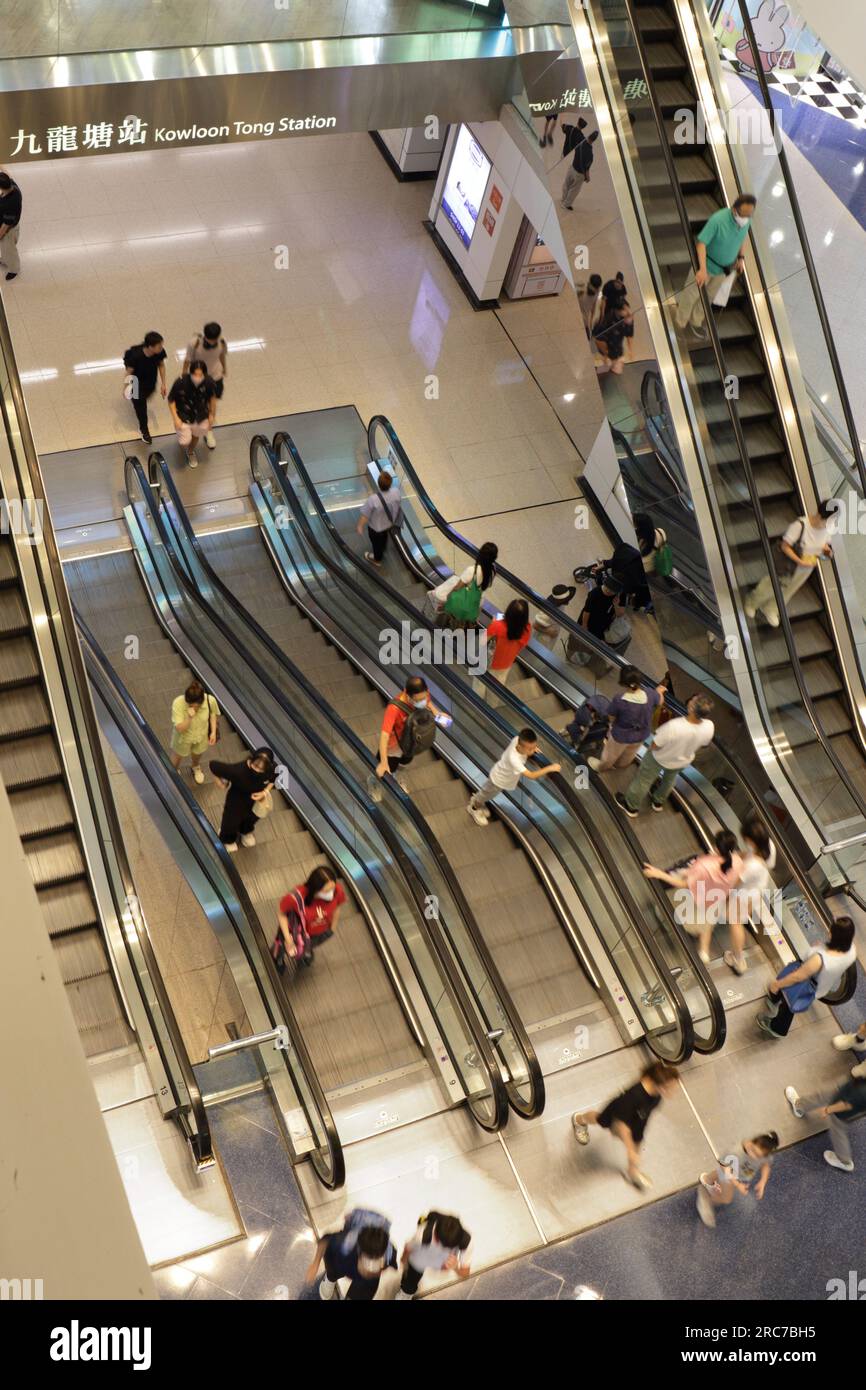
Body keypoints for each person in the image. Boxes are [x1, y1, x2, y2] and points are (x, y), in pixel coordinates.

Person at [572, 1061, 680, 1191]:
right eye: (671, 1087)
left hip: (640, 1114)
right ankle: (579, 1120)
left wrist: (637, 1138)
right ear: (661, 1085)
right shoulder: (634, 1096)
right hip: (619, 1112)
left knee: (638, 1139)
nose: (674, 1091)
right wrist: (630, 1150)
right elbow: (622, 1126)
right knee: (600, 1119)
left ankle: (632, 1171)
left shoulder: (657, 1094)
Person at [643, 829, 743, 965]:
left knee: (668, 907)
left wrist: (659, 874)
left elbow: (685, 884)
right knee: (706, 923)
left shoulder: (704, 865)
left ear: (716, 847)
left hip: (694, 902)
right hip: (714, 902)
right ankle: (704, 952)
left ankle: (667, 922)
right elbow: (735, 882)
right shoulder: (737, 862)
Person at [757, 916, 857, 1039]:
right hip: (821, 986)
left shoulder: (819, 959)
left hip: (805, 985)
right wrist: (822, 947)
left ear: (832, 935)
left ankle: (777, 1028)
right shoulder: (851, 951)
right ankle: (775, 1000)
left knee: (789, 1004)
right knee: (788, 999)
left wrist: (777, 984)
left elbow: (798, 977)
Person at [616, 693, 714, 817]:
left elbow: (655, 745)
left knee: (643, 781)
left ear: (692, 708)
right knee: (669, 780)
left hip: (659, 758)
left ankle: (630, 806)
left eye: (693, 700)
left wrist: (654, 750)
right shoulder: (709, 726)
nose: (691, 699)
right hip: (682, 761)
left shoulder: (674, 725)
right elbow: (703, 744)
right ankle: (658, 801)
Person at [744, 501, 837, 629]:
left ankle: (771, 609)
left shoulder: (827, 529)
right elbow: (785, 546)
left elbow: (824, 543)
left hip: (806, 568)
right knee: (771, 585)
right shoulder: (800, 525)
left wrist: (827, 551)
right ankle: (752, 602)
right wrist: (800, 561)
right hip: (789, 564)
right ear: (820, 516)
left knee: (789, 590)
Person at [675, 193, 757, 336]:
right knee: (691, 295)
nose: (745, 218)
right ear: (734, 210)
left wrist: (741, 258)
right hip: (706, 266)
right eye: (743, 215)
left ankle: (696, 321)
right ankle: (680, 323)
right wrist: (702, 269)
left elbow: (742, 238)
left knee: (709, 297)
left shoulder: (746, 220)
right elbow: (701, 244)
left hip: (723, 269)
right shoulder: (718, 220)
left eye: (749, 215)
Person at [467, 727, 560, 825]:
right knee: (487, 794)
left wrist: (531, 749)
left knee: (487, 793)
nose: (532, 751)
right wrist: (550, 768)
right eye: (530, 749)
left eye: (534, 747)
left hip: (502, 776)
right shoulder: (514, 759)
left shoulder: (517, 739)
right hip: (498, 780)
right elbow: (531, 775)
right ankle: (473, 808)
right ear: (519, 747)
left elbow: (525, 746)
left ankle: (479, 800)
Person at [723, 813, 776, 976]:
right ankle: (738, 957)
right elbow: (748, 854)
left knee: (735, 922)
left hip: (745, 894)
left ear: (752, 840)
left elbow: (735, 882)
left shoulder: (752, 865)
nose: (744, 842)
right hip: (756, 889)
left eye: (745, 839)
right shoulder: (769, 846)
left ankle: (738, 959)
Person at [306, 1208, 398, 1301]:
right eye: (367, 1267)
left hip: (365, 1282)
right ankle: (330, 1278)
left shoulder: (389, 1254)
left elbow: (390, 1264)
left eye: (374, 1270)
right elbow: (325, 1241)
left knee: (363, 1292)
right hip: (344, 1259)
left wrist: (380, 1271)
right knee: (333, 1266)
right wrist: (315, 1264)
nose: (368, 1273)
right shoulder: (343, 1244)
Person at [587, 666, 665, 771]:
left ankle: (602, 767)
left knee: (610, 754)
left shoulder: (620, 700)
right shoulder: (650, 694)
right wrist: (659, 691)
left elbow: (611, 716)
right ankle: (620, 765)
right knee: (630, 753)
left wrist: (611, 724)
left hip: (621, 736)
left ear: (623, 683)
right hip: (641, 734)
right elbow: (660, 701)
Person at [785, 1073, 866, 1172]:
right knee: (825, 1095)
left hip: (846, 1102)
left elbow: (846, 1104)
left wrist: (828, 1110)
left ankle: (844, 1160)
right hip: (848, 1091)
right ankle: (800, 1105)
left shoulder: (861, 1093)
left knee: (837, 1130)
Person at [376, 675, 445, 791]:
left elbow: (427, 702)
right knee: (387, 767)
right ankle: (374, 784)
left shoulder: (423, 693)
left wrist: (437, 713)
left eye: (424, 697)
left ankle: (398, 776)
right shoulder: (394, 709)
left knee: (406, 760)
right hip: (394, 746)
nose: (422, 702)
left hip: (411, 738)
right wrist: (383, 762)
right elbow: (384, 735)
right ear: (408, 696)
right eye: (418, 701)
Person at [696, 1132, 778, 1228]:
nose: (754, 1157)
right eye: (753, 1151)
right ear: (751, 1143)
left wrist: (763, 1182)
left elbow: (766, 1165)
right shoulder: (736, 1152)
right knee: (726, 1199)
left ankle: (706, 1179)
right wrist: (738, 1185)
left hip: (738, 1173)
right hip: (729, 1174)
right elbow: (724, 1167)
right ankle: (706, 1200)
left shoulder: (764, 1154)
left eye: (758, 1156)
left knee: (718, 1174)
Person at [277, 864, 346, 967]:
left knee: (306, 949)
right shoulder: (296, 897)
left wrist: (332, 928)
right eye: (326, 891)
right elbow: (281, 913)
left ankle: (304, 955)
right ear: (315, 889)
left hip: (319, 933)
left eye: (333, 888)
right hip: (295, 932)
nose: (331, 893)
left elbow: (337, 906)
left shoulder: (337, 891)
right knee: (281, 948)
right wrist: (288, 938)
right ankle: (278, 959)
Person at [210, 747, 274, 852]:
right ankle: (227, 839)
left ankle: (245, 831)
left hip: (254, 802)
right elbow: (213, 765)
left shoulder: (270, 769)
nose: (257, 770)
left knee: (251, 818)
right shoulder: (237, 771)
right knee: (231, 821)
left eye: (261, 769)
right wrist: (220, 782)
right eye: (256, 766)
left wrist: (264, 792)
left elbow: (273, 779)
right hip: (236, 801)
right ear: (252, 760)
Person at [396, 1211, 472, 1300]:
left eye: (449, 1247)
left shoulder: (466, 1242)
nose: (444, 1248)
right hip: (421, 1257)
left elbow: (465, 1274)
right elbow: (408, 1247)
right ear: (435, 1234)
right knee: (411, 1278)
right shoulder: (422, 1233)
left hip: (441, 1261)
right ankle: (405, 1293)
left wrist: (455, 1267)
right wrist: (403, 1260)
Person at [182, 322, 227, 448]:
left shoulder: (222, 342)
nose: (213, 343)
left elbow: (222, 355)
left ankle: (209, 430)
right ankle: (193, 425)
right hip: (199, 377)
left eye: (215, 340)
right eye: (210, 340)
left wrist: (224, 368)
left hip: (215, 377)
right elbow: (187, 360)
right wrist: (184, 376)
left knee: (212, 403)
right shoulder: (194, 343)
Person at [432, 542, 498, 629]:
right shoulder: (493, 570)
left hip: (464, 603)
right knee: (464, 620)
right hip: (478, 602)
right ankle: (462, 629)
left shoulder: (472, 570)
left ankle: (451, 626)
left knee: (445, 598)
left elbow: (457, 587)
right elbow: (487, 585)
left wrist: (448, 597)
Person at [167, 359, 216, 468]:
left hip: (200, 415)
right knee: (184, 441)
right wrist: (175, 418)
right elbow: (171, 400)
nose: (197, 378)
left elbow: (212, 399)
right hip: (183, 415)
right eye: (195, 375)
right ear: (190, 373)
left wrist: (212, 415)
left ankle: (190, 452)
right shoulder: (181, 382)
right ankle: (186, 442)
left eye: (200, 375)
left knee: (196, 435)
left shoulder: (208, 382)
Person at [169, 680, 219, 784]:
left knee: (198, 753)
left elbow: (213, 714)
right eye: (190, 705)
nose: (193, 708)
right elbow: (179, 728)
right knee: (178, 755)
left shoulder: (210, 700)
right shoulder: (178, 703)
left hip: (201, 736)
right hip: (183, 738)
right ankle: (174, 770)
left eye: (196, 706)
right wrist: (189, 718)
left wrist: (213, 732)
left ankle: (195, 766)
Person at [122, 331, 167, 445]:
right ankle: (144, 430)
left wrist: (163, 383)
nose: (162, 348)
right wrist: (126, 388)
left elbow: (161, 365)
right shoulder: (135, 356)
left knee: (144, 398)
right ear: (150, 347)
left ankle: (139, 404)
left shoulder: (159, 352)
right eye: (159, 346)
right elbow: (129, 372)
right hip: (136, 383)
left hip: (150, 380)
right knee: (141, 407)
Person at [356, 469, 402, 567]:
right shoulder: (396, 492)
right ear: (390, 483)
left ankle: (377, 560)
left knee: (376, 544)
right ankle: (383, 548)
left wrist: (360, 526)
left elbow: (365, 515)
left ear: (379, 484)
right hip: (389, 524)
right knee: (384, 537)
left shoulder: (373, 499)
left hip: (375, 528)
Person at [483, 598, 531, 686]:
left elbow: (482, 641)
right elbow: (521, 645)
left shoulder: (497, 626)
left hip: (490, 661)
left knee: (481, 682)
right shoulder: (527, 629)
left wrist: (494, 623)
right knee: (498, 685)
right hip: (507, 663)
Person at [579, 571, 622, 642]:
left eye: (612, 590)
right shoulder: (594, 593)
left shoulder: (617, 597)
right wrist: (584, 625)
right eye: (607, 587)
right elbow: (587, 610)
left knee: (593, 641)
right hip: (590, 621)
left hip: (602, 625)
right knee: (580, 640)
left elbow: (618, 615)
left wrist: (616, 605)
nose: (608, 591)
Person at [561, 129, 599, 210]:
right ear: (594, 140)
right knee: (574, 190)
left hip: (572, 167)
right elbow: (587, 169)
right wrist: (588, 178)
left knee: (566, 184)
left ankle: (563, 198)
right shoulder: (590, 154)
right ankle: (566, 204)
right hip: (579, 175)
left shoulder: (580, 142)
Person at [594, 301, 634, 376]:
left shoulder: (628, 318)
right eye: (625, 311)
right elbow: (598, 340)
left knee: (615, 369)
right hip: (606, 346)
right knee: (608, 366)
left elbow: (630, 334)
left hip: (616, 347)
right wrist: (606, 355)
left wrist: (630, 350)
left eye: (628, 311)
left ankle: (606, 369)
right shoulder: (608, 320)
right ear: (617, 311)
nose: (629, 314)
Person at [0, 170, 22, 281]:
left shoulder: (11, 203)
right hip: (6, 226)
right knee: (5, 249)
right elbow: (7, 173)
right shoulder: (12, 185)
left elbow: (6, 226)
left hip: (8, 231)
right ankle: (4, 259)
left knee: (9, 250)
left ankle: (14, 269)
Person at [577, 272, 603, 338]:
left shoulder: (596, 292)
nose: (597, 290)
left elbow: (594, 305)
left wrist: (591, 320)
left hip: (585, 320)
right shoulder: (581, 289)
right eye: (596, 288)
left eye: (597, 288)